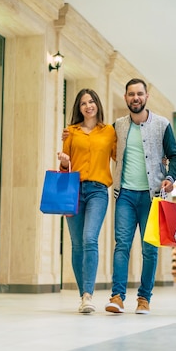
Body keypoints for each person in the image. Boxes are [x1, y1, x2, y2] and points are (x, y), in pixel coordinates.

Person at [104, 78, 176, 315]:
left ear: (146, 97)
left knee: (150, 249)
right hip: (125, 194)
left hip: (152, 196)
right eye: (130, 94)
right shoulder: (118, 125)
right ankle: (117, 297)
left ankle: (144, 298)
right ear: (126, 97)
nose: (135, 98)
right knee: (122, 246)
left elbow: (175, 155)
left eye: (139, 94)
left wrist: (170, 177)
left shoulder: (162, 124)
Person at [58, 88, 116, 314]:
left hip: (98, 191)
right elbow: (66, 166)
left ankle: (88, 294)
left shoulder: (109, 131)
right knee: (77, 244)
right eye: (83, 103)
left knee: (90, 238)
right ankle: (84, 296)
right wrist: (63, 161)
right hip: (74, 190)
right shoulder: (70, 131)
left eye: (92, 102)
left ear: (98, 105)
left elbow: (119, 156)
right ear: (78, 108)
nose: (88, 106)